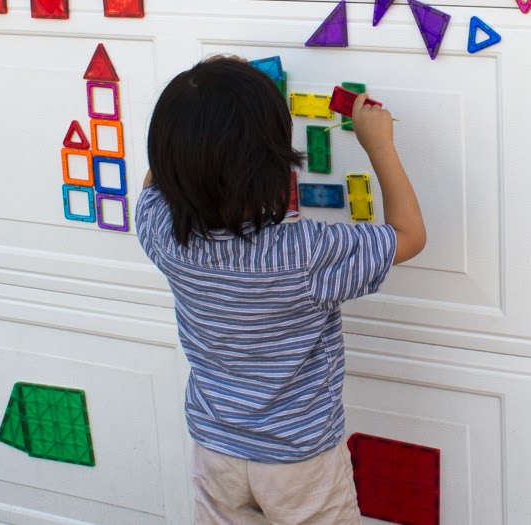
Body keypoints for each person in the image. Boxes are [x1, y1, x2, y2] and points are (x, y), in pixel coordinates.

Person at [135, 56, 425, 524]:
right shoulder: (303, 254)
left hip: (216, 448)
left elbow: (154, 182)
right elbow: (409, 235)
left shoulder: (162, 233)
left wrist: (193, 119)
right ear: (273, 166)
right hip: (299, 458)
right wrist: (379, 146)